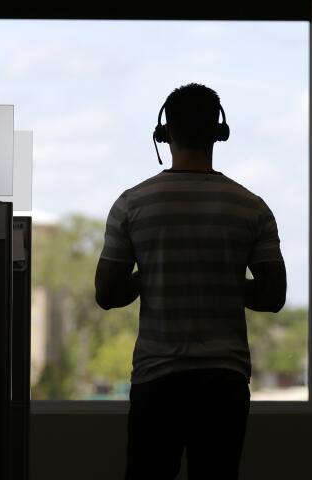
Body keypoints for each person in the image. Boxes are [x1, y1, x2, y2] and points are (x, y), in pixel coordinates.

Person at [94, 83, 287, 480]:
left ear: (164, 134)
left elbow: (108, 294)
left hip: (156, 378)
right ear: (220, 132)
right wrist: (226, 277)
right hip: (224, 381)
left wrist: (152, 271)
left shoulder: (132, 204)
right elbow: (273, 296)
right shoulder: (251, 207)